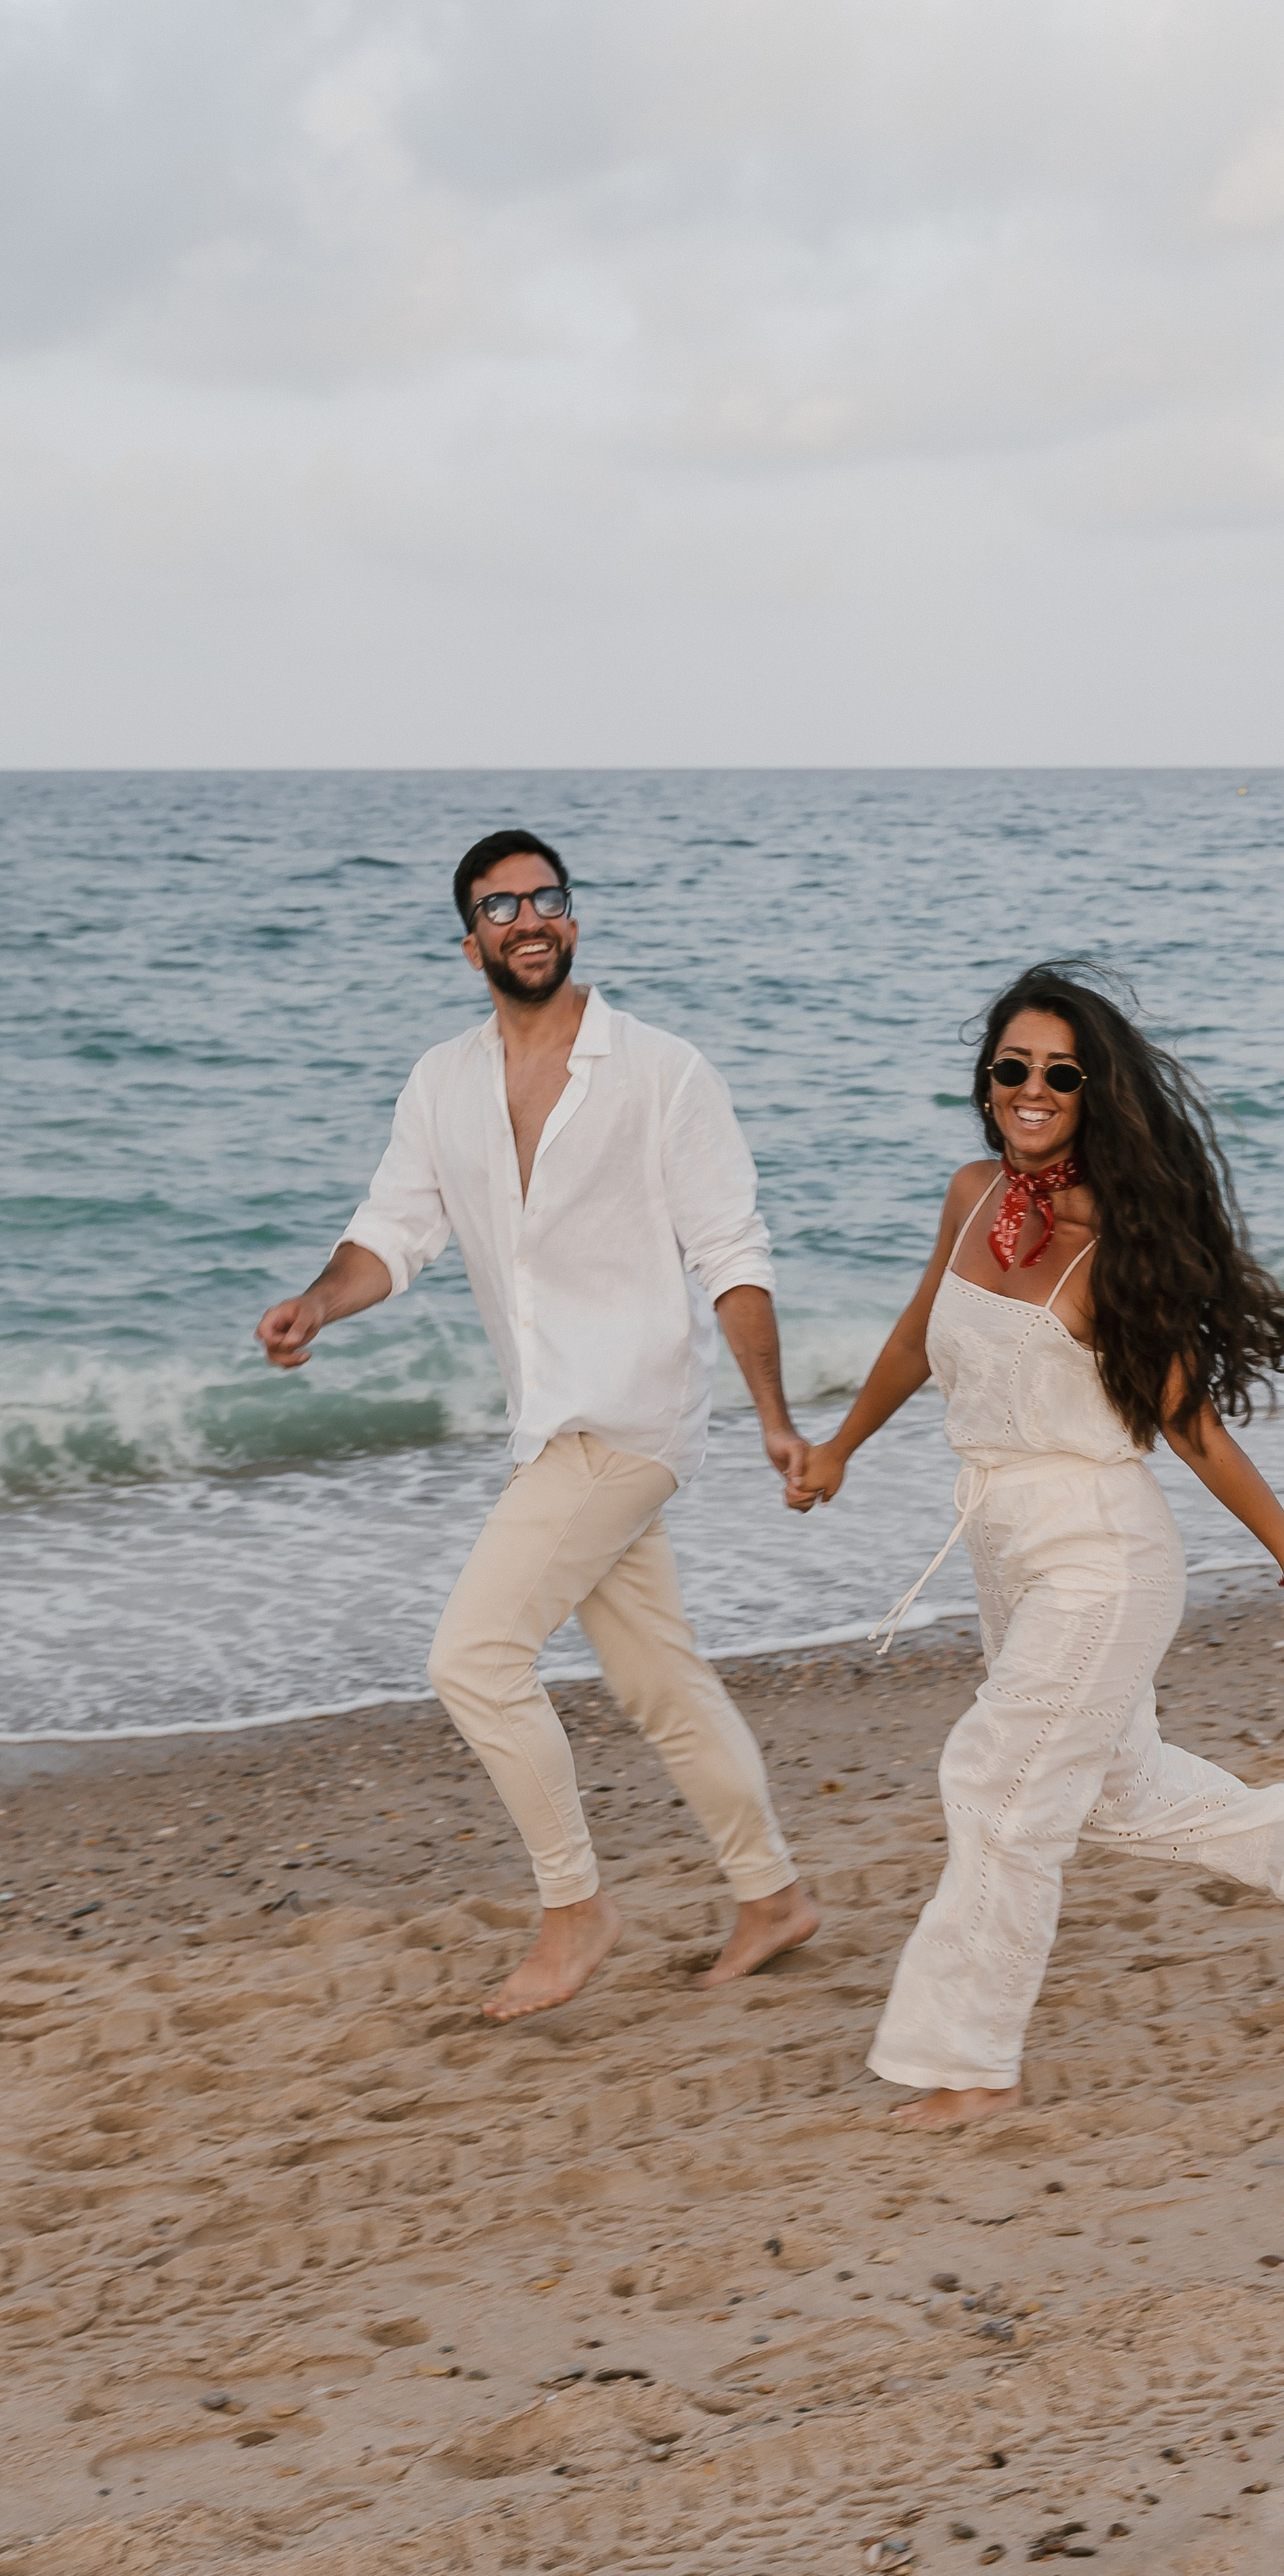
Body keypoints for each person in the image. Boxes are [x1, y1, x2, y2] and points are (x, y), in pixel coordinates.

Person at [257, 831, 817, 2020]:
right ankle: (771, 1896)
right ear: (472, 945)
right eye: (500, 905)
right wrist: (319, 1301)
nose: (527, 918)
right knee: (662, 1679)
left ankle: (577, 1907)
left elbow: (732, 1250)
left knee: (472, 1658)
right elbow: (392, 1235)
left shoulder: (662, 1071)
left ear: (573, 922)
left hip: (630, 1416)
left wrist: (772, 1414)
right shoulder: (442, 1084)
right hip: (548, 1425)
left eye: (545, 898)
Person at [791, 963, 1284, 2128]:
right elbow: (911, 1338)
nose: (1032, 1089)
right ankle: (1283, 1846)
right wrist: (839, 1446)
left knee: (997, 1784)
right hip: (1002, 1539)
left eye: (1060, 1073)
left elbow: (1189, 1424)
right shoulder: (968, 1195)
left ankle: (972, 2058)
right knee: (1103, 1787)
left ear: (1095, 1092)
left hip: (1102, 1552)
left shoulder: (1116, 1245)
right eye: (1013, 1068)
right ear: (987, 1081)